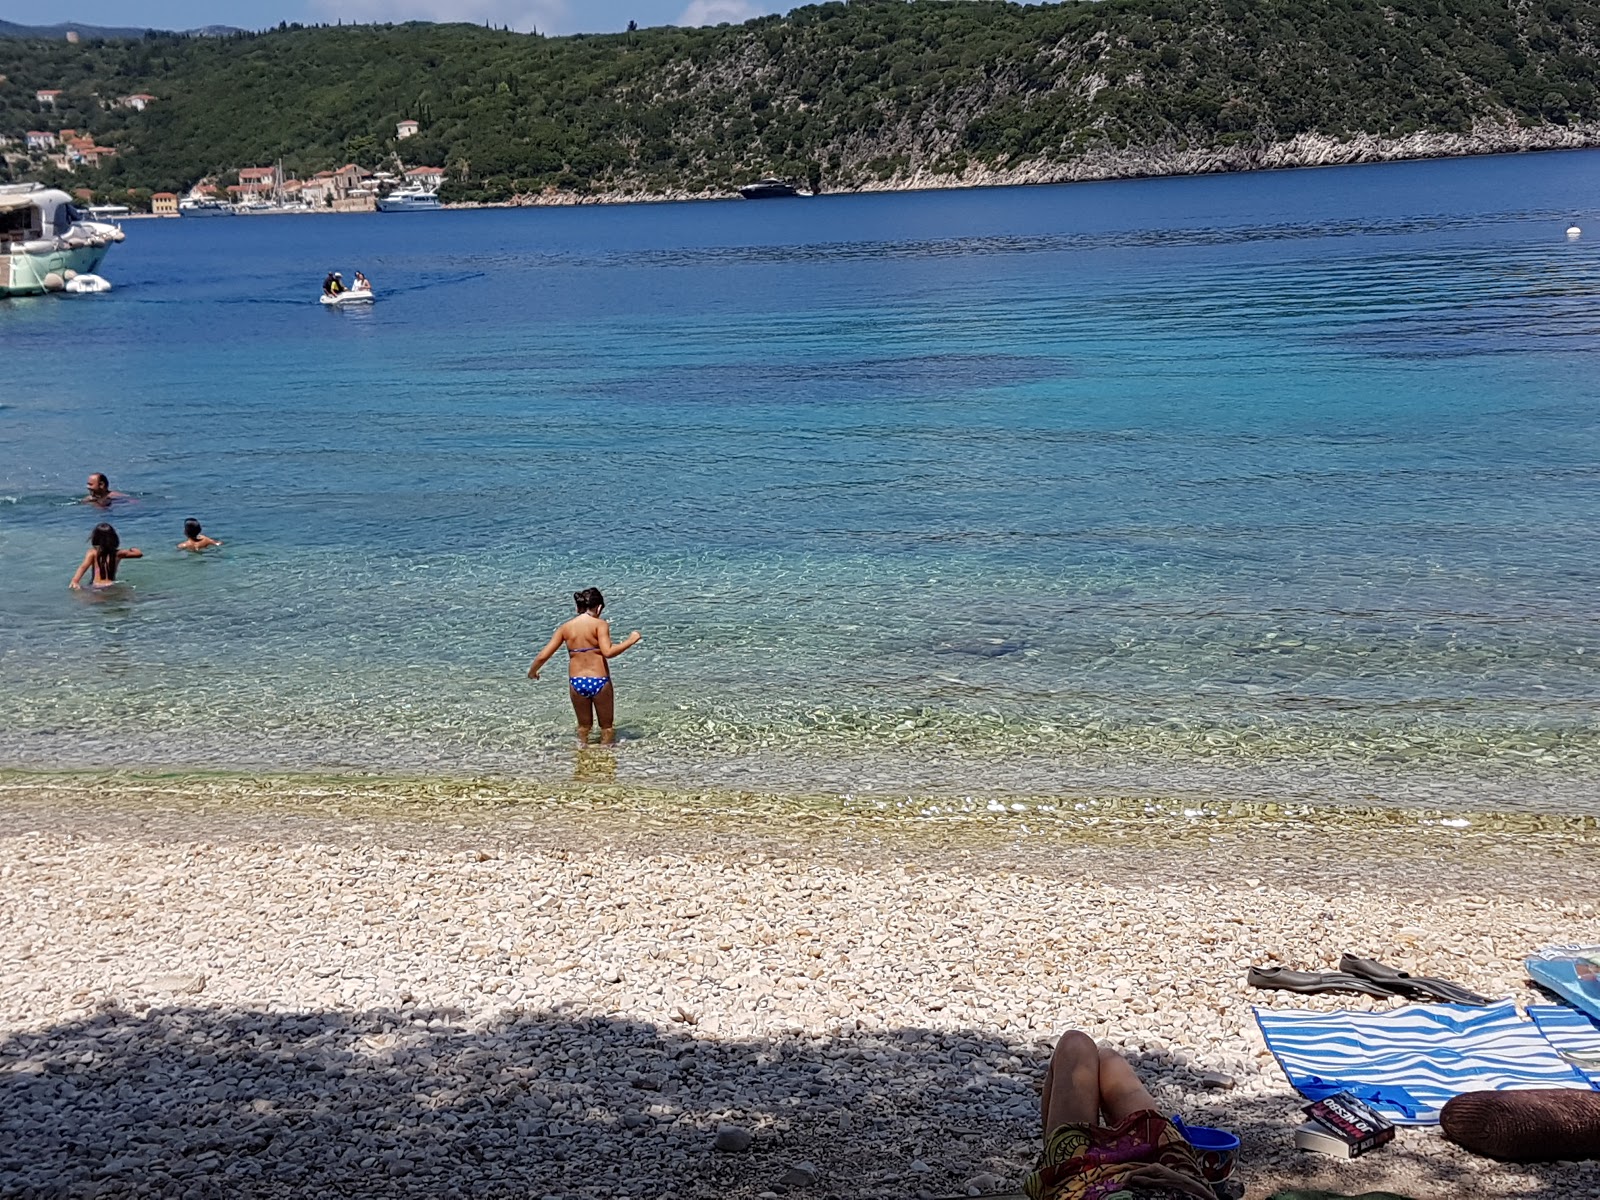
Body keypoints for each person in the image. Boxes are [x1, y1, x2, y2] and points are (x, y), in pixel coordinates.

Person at [1024, 1030, 1215, 1200]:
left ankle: (1052, 1174)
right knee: (1108, 1061)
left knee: (1075, 1045)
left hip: (1087, 1185)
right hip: (1174, 1174)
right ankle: (1052, 1171)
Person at [527, 587, 642, 746]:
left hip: (577, 682)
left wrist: (533, 672)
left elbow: (543, 656)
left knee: (583, 727)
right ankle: (606, 758)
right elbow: (608, 652)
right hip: (599, 680)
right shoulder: (600, 624)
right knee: (606, 727)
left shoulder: (565, 627)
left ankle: (582, 755)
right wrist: (631, 640)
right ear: (599, 607)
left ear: (578, 607)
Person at [70, 522, 142, 589]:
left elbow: (83, 567)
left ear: (95, 538)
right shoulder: (118, 553)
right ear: (114, 538)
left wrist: (75, 581)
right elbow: (139, 554)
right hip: (111, 585)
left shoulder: (92, 552)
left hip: (96, 586)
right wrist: (133, 548)